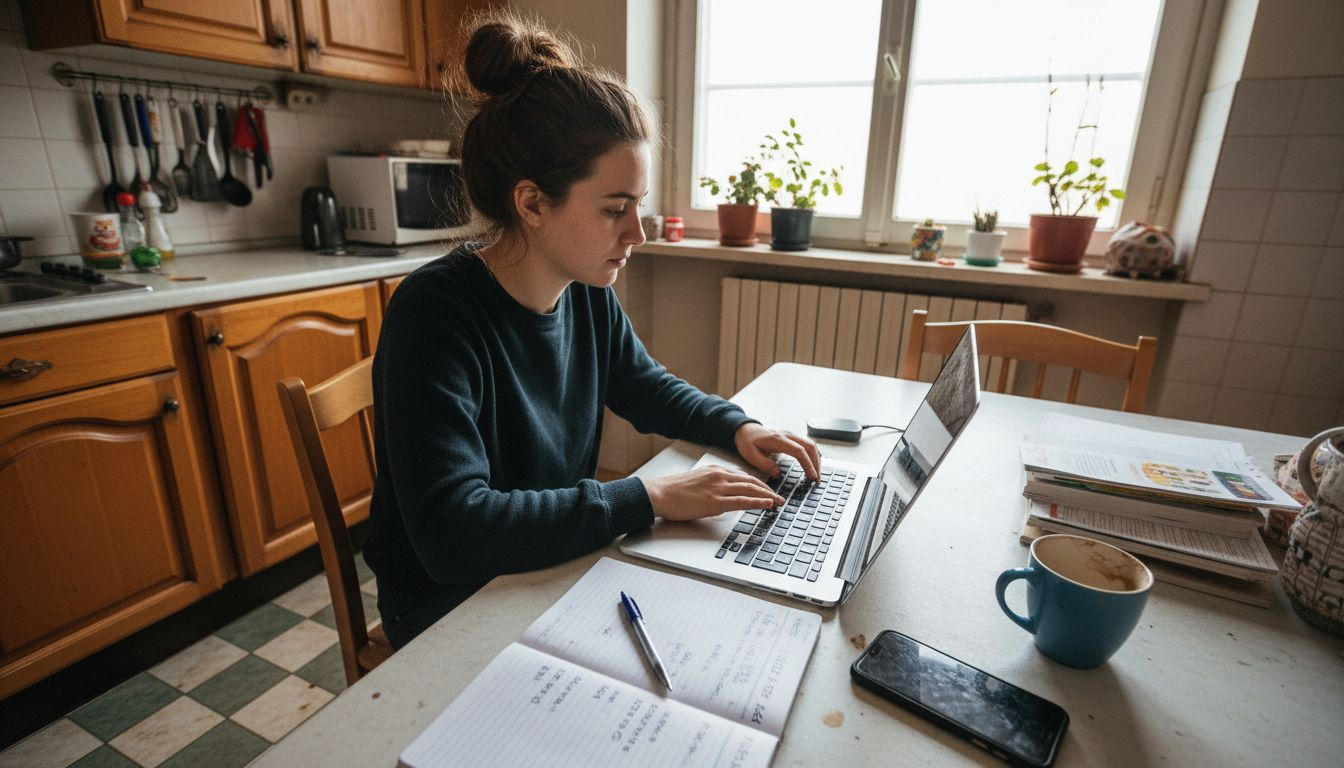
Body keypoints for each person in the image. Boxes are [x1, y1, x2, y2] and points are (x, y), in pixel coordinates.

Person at [364, 11, 821, 649]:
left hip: (548, 562)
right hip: (452, 598)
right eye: (615, 209)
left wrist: (737, 427)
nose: (635, 234)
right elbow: (454, 534)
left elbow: (645, 386)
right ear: (532, 204)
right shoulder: (435, 313)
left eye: (639, 207)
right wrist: (649, 496)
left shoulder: (583, 292)